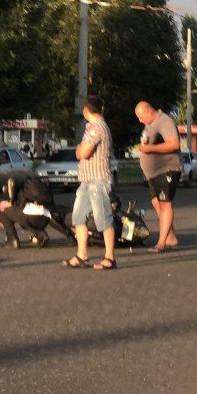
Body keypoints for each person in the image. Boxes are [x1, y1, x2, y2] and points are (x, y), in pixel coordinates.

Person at [63, 96, 116, 270]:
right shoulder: (91, 127)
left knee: (104, 219)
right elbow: (82, 150)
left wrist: (80, 150)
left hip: (98, 180)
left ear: (87, 111)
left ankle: (109, 258)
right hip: (86, 180)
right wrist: (81, 149)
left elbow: (83, 152)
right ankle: (82, 255)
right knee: (78, 217)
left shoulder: (97, 128)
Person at [135, 100, 182, 253]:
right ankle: (170, 237)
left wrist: (149, 148)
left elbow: (174, 144)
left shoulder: (165, 121)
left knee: (165, 204)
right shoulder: (149, 125)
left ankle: (161, 243)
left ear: (149, 111)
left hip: (167, 168)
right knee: (156, 203)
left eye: (141, 116)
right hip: (153, 172)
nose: (140, 120)